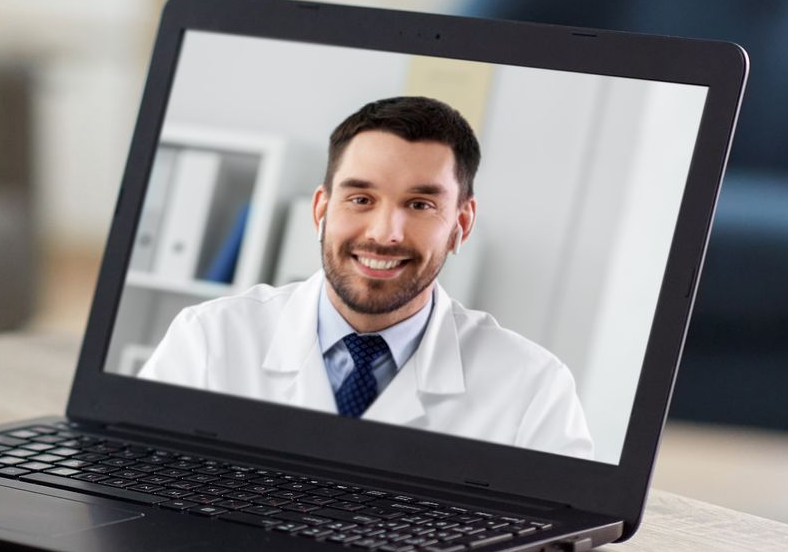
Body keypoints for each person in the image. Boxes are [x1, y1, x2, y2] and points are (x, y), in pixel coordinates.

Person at [139, 97, 593, 459]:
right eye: (360, 198)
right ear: (321, 209)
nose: (384, 234)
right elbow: (137, 481)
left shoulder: (534, 387)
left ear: (462, 224)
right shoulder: (207, 338)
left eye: (420, 205)